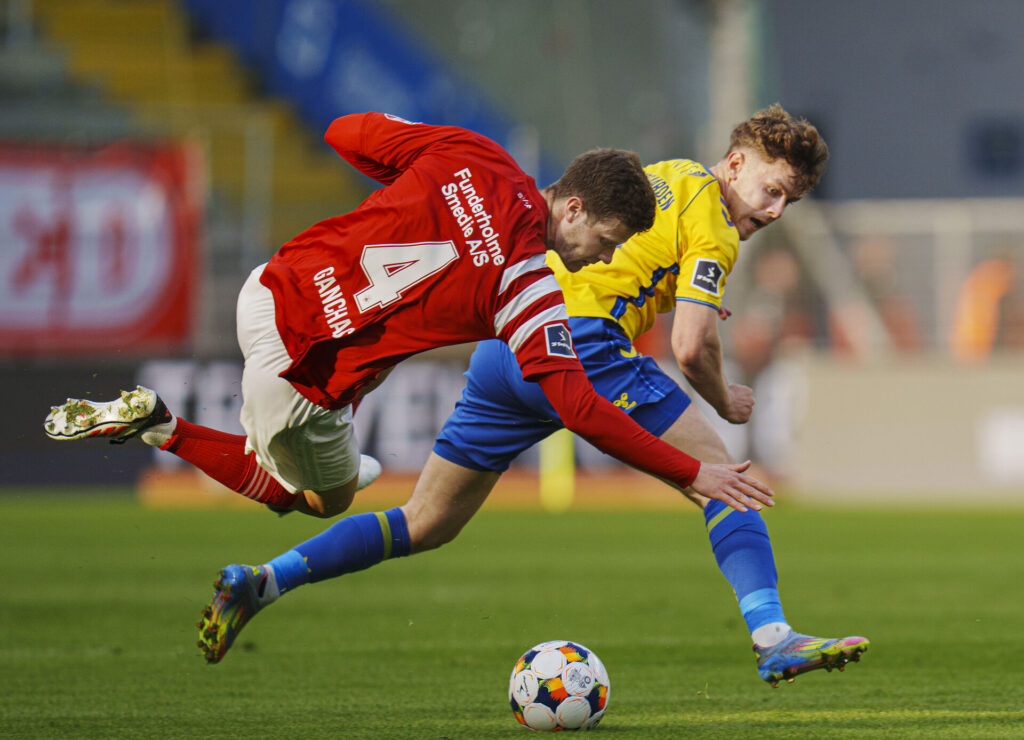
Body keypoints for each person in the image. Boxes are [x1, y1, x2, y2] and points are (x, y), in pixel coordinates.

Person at [42, 112, 774, 660]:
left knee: (425, 518)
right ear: (573, 209)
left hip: (269, 287)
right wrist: (693, 470)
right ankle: (160, 425)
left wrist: (416, 198)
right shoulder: (525, 286)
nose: (597, 260)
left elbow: (344, 132)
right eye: (605, 242)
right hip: (303, 374)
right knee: (311, 497)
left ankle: (265, 570)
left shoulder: (474, 154)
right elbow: (579, 405)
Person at [183, 105, 868, 685]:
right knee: (726, 483)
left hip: (506, 344)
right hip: (581, 344)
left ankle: (264, 580)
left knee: (426, 522)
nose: (775, 210)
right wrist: (723, 401)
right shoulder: (713, 223)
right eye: (773, 190)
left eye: (790, 201)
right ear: (736, 164)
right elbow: (692, 345)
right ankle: (773, 636)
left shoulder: (661, 180)